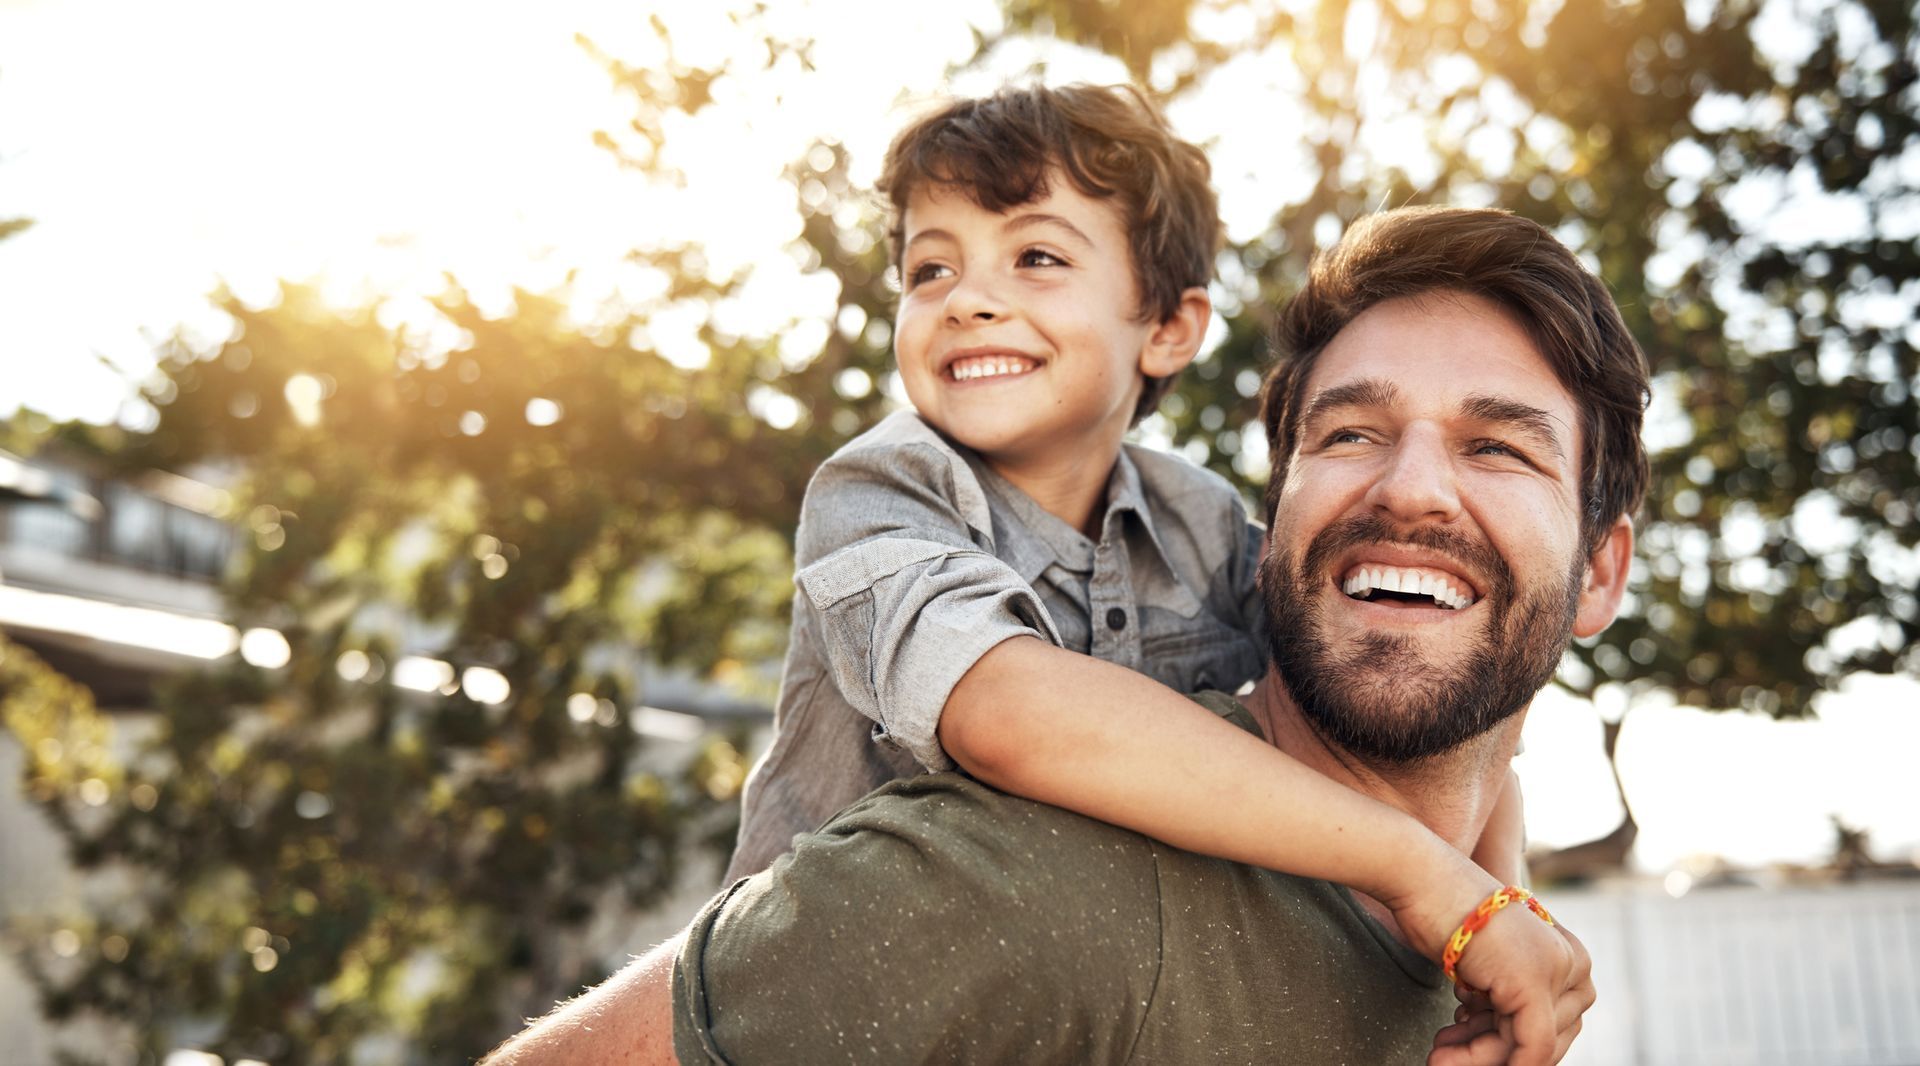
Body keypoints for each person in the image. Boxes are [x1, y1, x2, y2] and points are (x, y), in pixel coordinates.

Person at [483, 203, 1647, 1065]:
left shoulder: (1485, 969)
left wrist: (1489, 905)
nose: (1413, 490)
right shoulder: (1032, 883)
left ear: (1601, 572)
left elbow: (1488, 758)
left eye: (1499, 446)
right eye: (1348, 433)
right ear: (1275, 526)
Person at [725, 83, 1550, 1004]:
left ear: (1168, 328)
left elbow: (1416, 698)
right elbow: (1005, 715)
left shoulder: (1198, 520)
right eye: (930, 271)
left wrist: (1492, 893)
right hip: (824, 1001)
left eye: (1034, 256)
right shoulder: (884, 488)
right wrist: (1422, 872)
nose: (966, 301)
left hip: (1065, 1001)